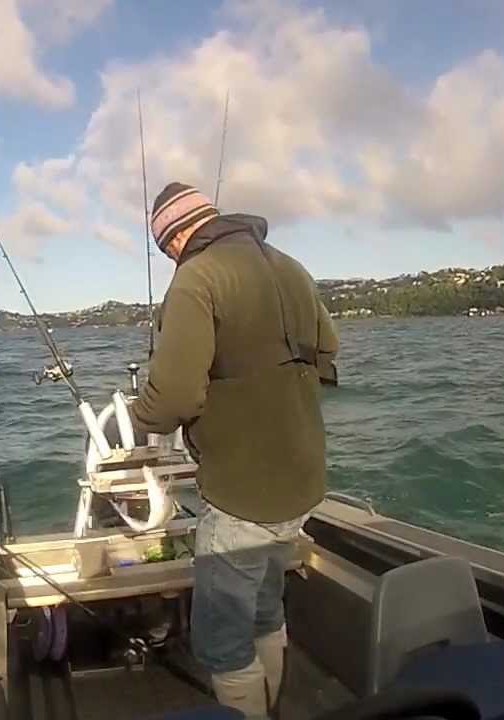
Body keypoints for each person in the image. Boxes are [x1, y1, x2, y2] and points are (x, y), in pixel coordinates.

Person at [129, 182, 339, 718]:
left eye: (165, 249)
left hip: (243, 490)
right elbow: (328, 353)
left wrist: (140, 413)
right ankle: (275, 705)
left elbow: (173, 398)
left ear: (174, 239)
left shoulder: (197, 278)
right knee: (267, 610)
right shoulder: (292, 266)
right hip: (303, 477)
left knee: (223, 641)